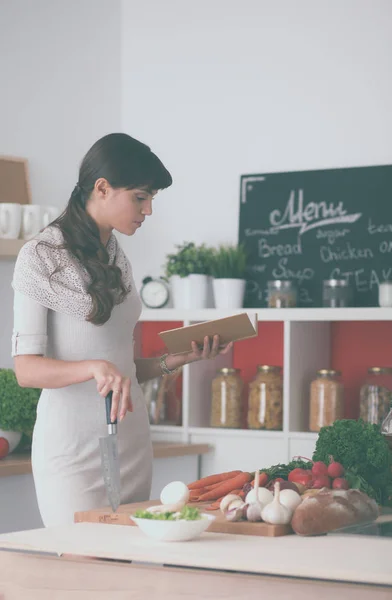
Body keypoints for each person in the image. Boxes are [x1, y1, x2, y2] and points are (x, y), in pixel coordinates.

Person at [11, 133, 232, 527]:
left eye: (151, 201)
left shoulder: (115, 255)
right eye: (140, 197)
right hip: (71, 451)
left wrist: (175, 359)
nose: (147, 211)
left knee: (130, 573)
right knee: (85, 576)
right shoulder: (39, 256)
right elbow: (27, 370)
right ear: (102, 188)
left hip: (130, 442)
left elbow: (120, 366)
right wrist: (93, 367)